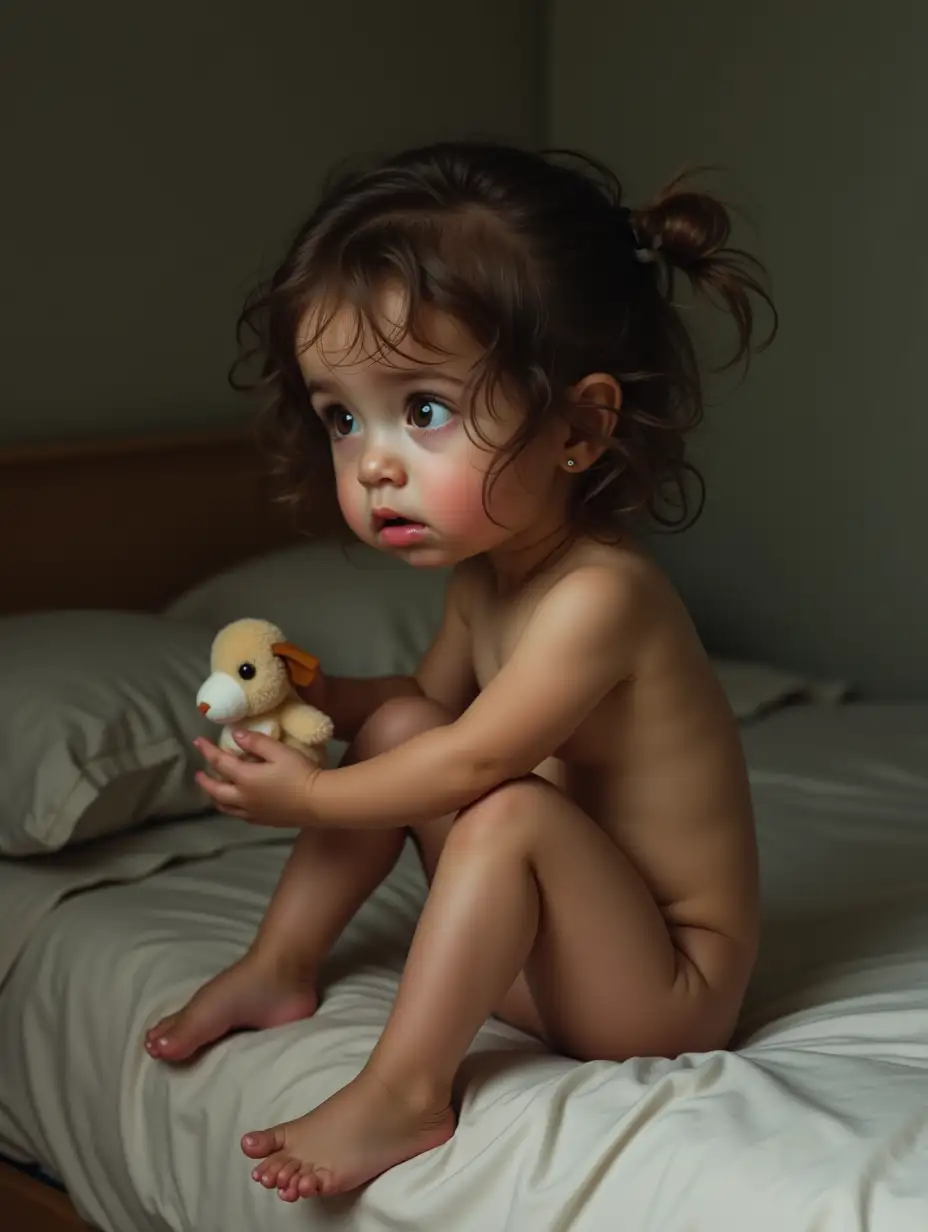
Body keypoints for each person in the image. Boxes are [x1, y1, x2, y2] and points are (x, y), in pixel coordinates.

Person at [145, 139, 776, 1202]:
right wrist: (324, 695)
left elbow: (474, 760)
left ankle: (404, 1086)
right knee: (398, 730)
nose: (373, 462)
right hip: (549, 961)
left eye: (421, 408)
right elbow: (421, 713)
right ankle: (281, 961)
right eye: (342, 416)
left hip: (659, 988)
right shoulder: (487, 575)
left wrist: (309, 791)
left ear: (579, 426)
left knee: (499, 810)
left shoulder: (600, 597)